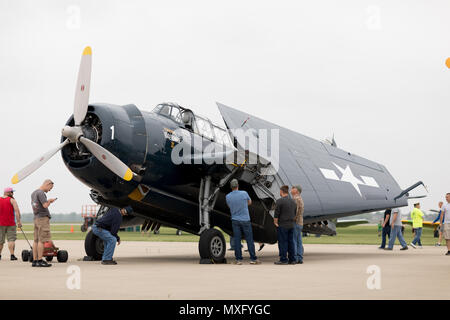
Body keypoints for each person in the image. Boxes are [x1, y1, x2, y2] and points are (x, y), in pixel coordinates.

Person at [225, 179, 260, 265]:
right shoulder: (244, 193)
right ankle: (253, 259)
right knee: (249, 239)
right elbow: (250, 202)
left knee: (237, 240)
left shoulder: (228, 196)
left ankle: (238, 259)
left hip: (235, 220)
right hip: (245, 219)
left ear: (231, 187)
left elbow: (229, 206)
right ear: (238, 186)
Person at [30, 180, 57, 267]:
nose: (49, 190)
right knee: (42, 240)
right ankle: (40, 260)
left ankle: (35, 260)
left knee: (36, 240)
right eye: (50, 188)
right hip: (42, 218)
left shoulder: (34, 193)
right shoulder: (41, 193)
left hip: (36, 217)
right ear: (47, 184)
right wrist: (50, 201)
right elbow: (45, 205)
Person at [274, 185, 297, 265]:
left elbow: (276, 214)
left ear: (281, 191)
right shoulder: (293, 201)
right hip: (291, 224)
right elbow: (295, 213)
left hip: (283, 224)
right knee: (291, 242)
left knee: (283, 242)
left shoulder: (279, 201)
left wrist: (275, 222)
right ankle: (292, 259)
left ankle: (283, 259)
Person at [0, 187, 22, 260]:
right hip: (11, 223)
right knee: (11, 240)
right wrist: (19, 222)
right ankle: (12, 255)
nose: (13, 193)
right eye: (12, 192)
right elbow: (17, 211)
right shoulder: (12, 200)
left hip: (1, 223)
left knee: (0, 240)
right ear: (8, 193)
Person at [291, 185, 304, 264]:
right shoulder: (300, 198)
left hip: (295, 222)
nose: (291, 189)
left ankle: (295, 258)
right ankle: (300, 257)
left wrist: (293, 219)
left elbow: (296, 211)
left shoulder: (295, 199)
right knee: (299, 240)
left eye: (293, 188)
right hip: (300, 222)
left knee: (294, 240)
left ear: (297, 191)